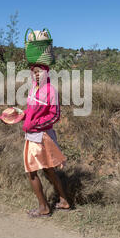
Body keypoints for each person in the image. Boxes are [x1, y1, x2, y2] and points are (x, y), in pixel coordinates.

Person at [22, 64, 70, 217]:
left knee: (31, 171)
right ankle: (63, 201)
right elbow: (31, 111)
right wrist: (20, 115)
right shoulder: (33, 90)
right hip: (33, 134)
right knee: (48, 170)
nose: (36, 75)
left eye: (39, 72)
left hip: (40, 136)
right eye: (34, 72)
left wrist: (34, 124)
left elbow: (55, 115)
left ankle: (44, 207)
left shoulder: (50, 90)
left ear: (47, 72)